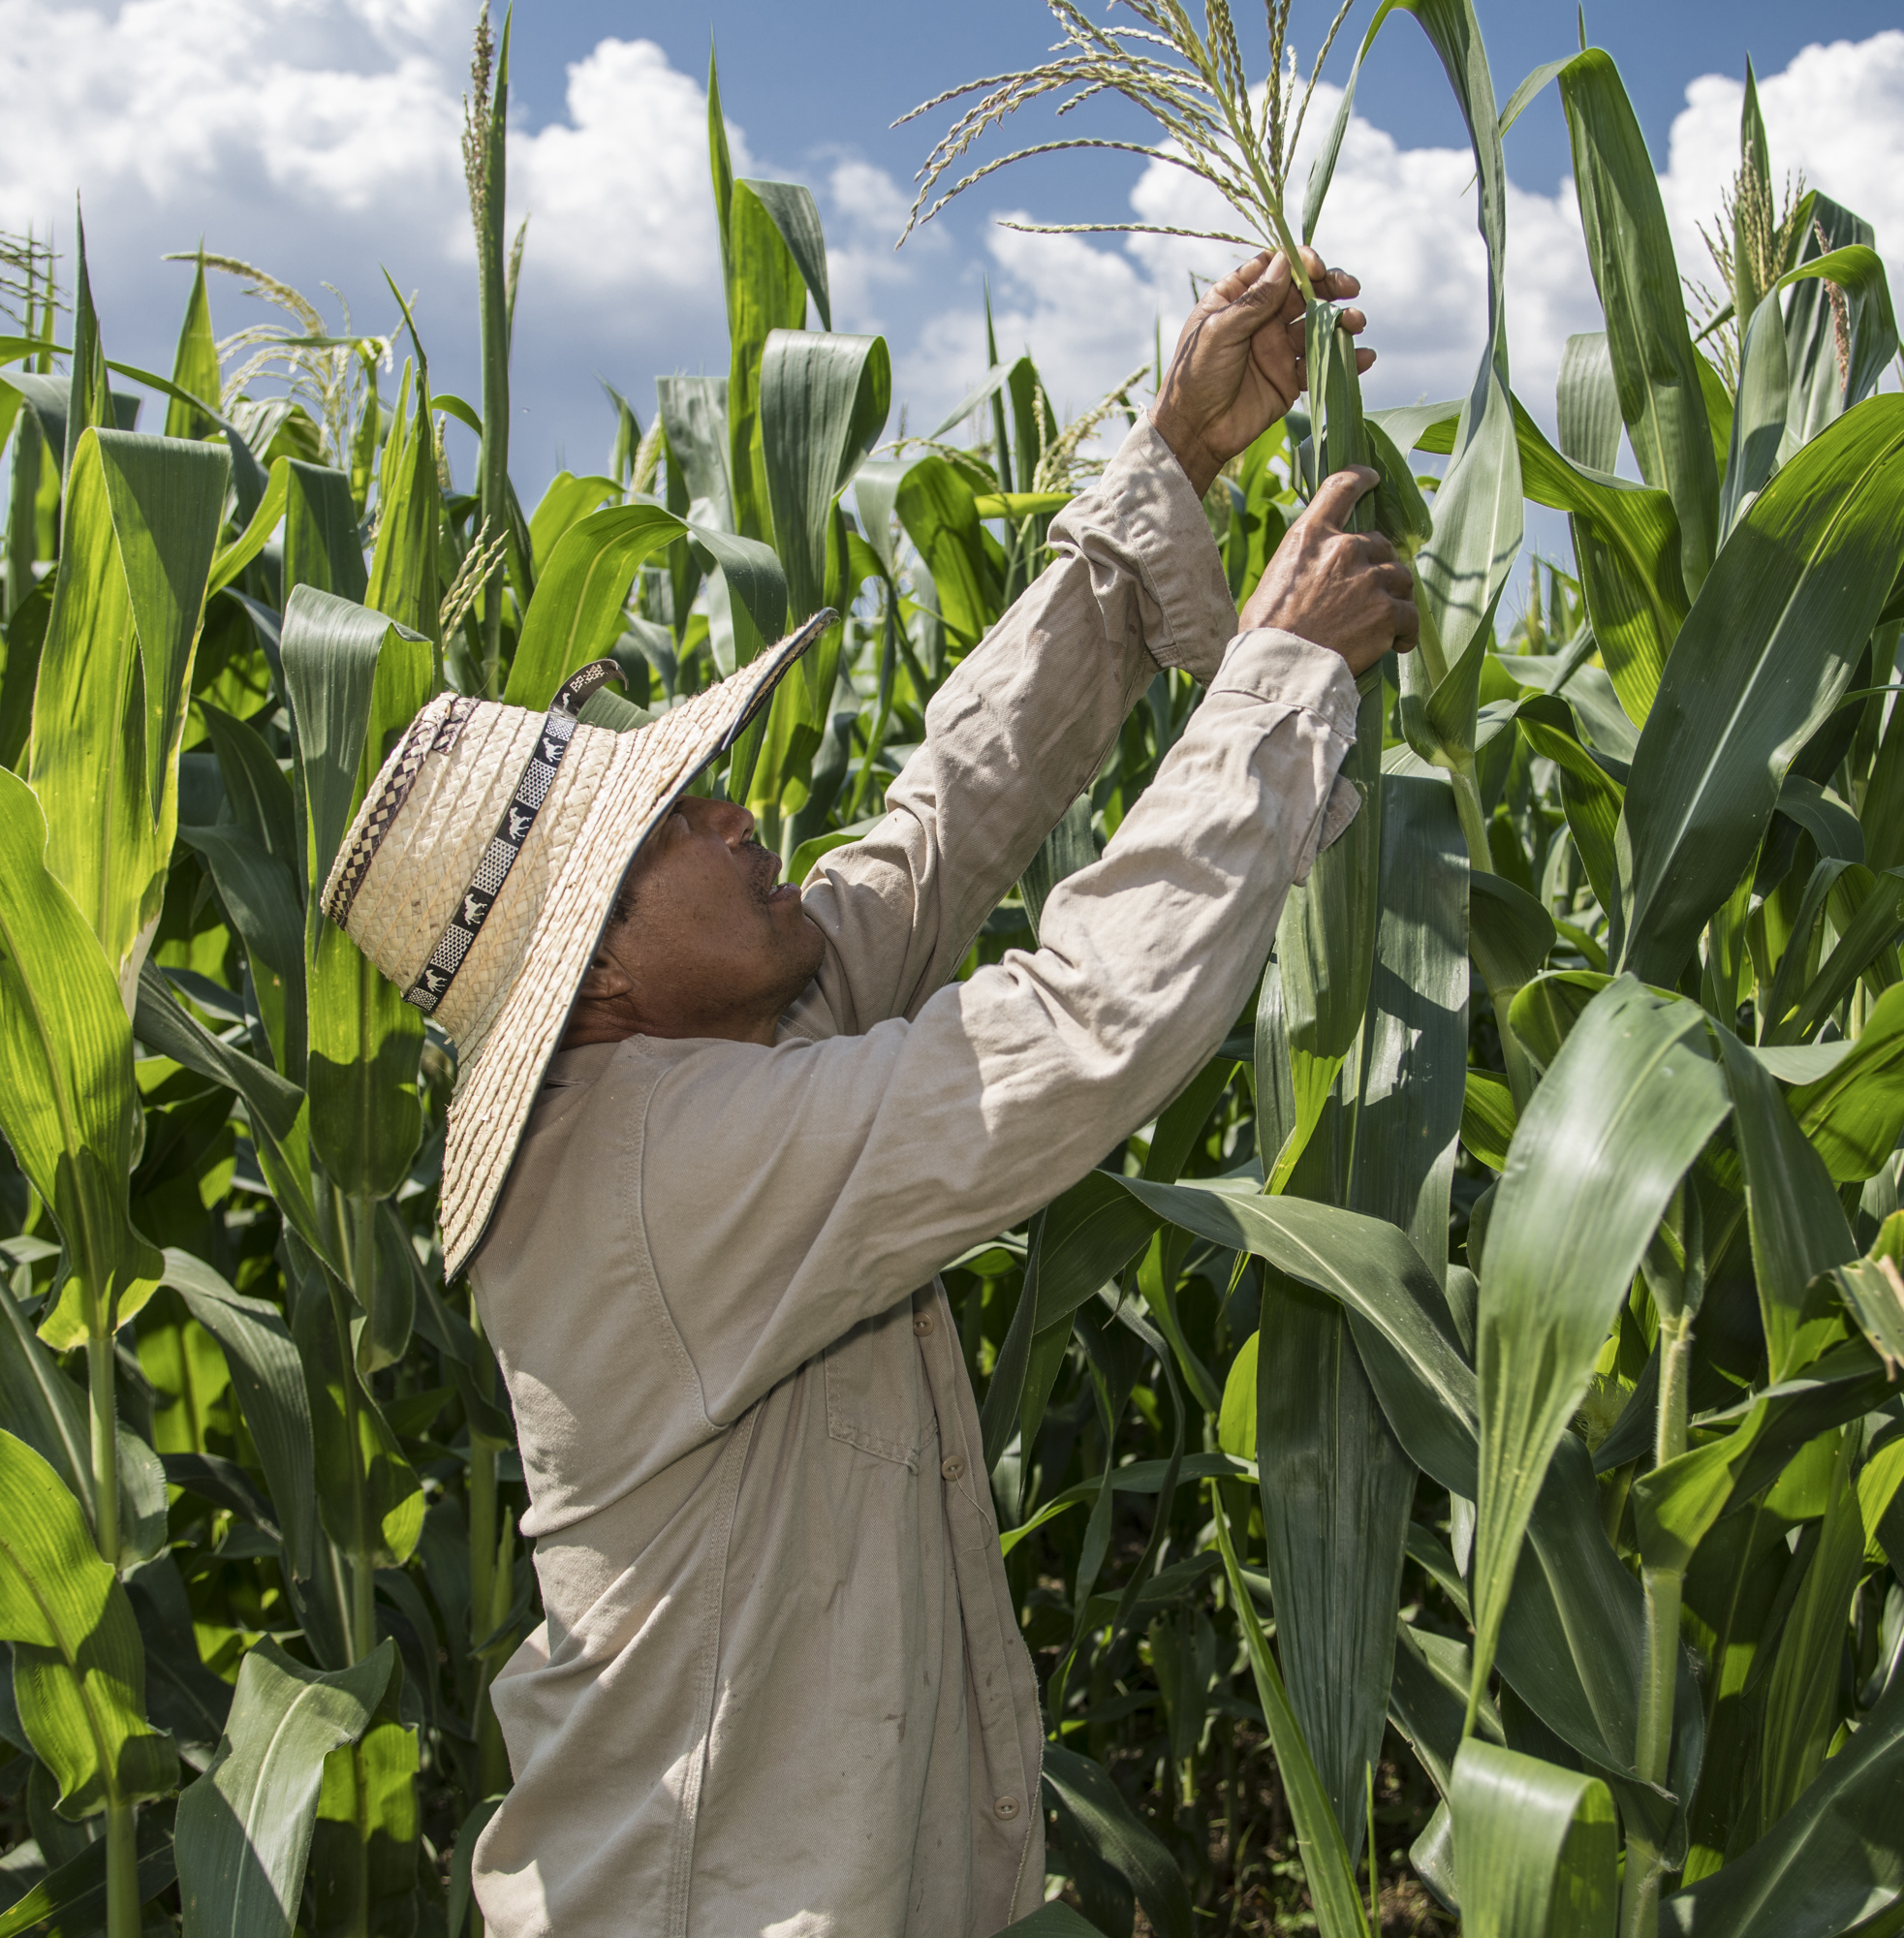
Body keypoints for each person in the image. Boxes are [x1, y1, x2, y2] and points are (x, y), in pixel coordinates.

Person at [316, 247, 1417, 1937]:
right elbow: (1075, 1033)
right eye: (675, 822)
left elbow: (943, 816)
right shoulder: (654, 1168)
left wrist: (1173, 463)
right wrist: (1276, 684)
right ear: (592, 971)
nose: (739, 813)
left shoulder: (712, 1051)